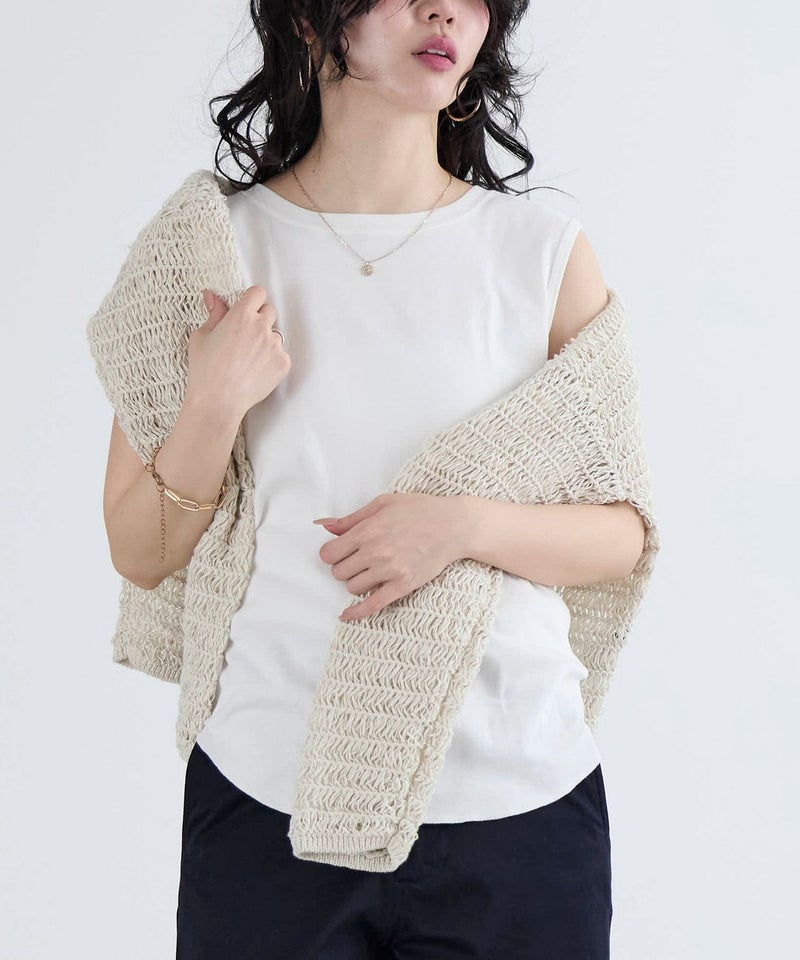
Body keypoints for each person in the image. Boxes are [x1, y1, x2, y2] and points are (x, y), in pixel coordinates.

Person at [101, 1, 647, 956]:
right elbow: (139, 551)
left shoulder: (543, 256)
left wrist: (462, 526)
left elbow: (623, 534)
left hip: (519, 810)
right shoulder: (211, 249)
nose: (444, 10)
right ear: (311, 21)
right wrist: (212, 404)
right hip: (266, 805)